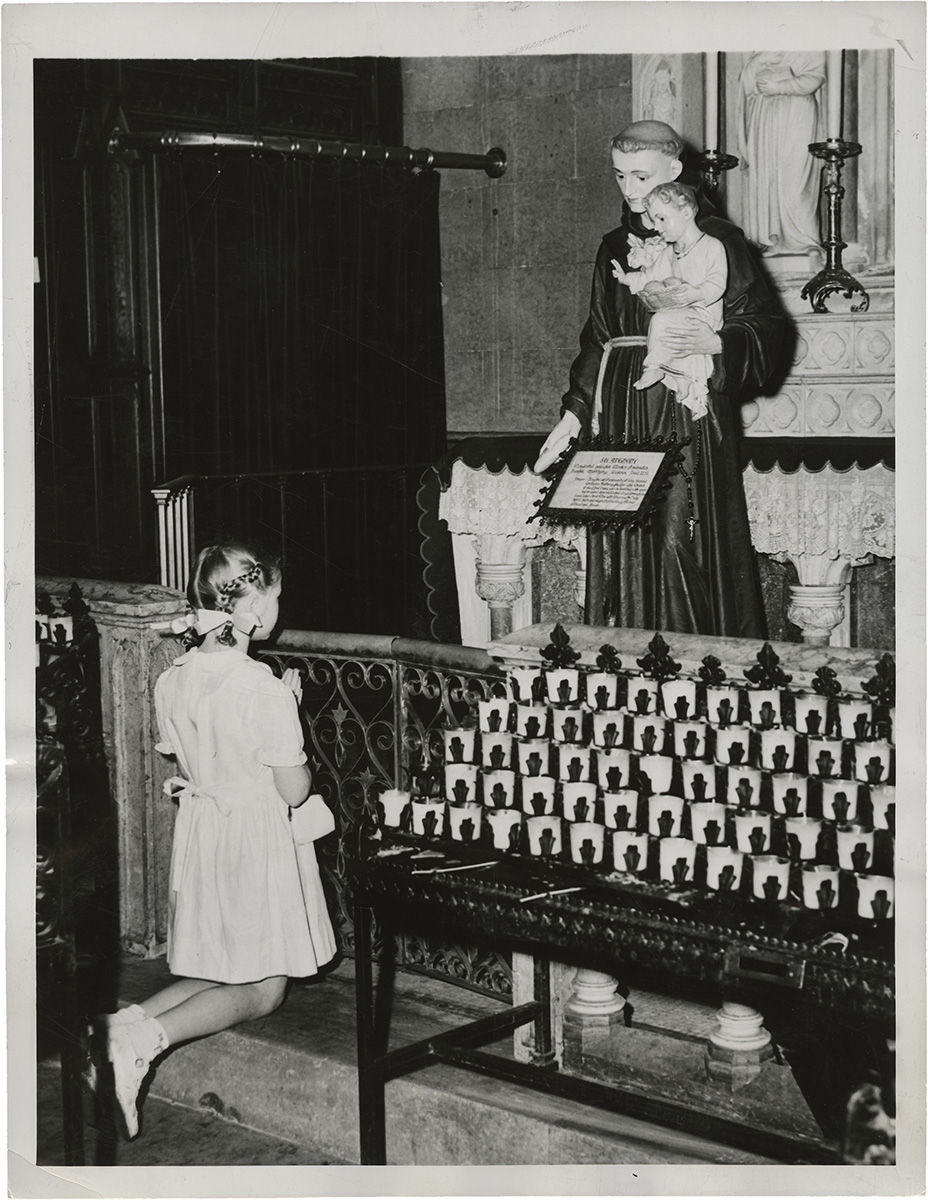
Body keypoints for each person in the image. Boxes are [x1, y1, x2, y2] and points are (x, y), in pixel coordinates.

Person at [89, 542, 336, 1139]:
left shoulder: (175, 677)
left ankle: (119, 1031)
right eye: (273, 597)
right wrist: (290, 712)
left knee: (227, 963)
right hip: (252, 837)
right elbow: (295, 790)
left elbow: (199, 749)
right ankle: (145, 1043)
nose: (277, 608)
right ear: (250, 606)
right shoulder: (261, 685)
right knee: (264, 985)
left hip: (205, 832)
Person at [534, 120, 787, 637]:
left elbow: (766, 326)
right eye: (620, 176)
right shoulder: (613, 246)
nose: (630, 190)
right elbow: (598, 336)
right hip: (622, 403)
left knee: (679, 538)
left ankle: (691, 671)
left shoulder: (718, 240)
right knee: (624, 539)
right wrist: (573, 412)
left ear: (675, 172)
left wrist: (717, 344)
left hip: (683, 398)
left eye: (642, 177)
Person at [611, 180, 727, 420]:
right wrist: (627, 279)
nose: (657, 227)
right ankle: (681, 379)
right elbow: (650, 277)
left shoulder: (711, 246)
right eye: (654, 221)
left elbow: (718, 282)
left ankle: (654, 368)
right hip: (681, 313)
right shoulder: (668, 252)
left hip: (704, 316)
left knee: (662, 320)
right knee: (665, 323)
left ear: (686, 212)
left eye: (662, 219)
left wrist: (697, 293)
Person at [737, 51, 826, 255]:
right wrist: (759, 60)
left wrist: (779, 86)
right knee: (768, 178)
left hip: (797, 113)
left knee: (796, 181)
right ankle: (773, 239)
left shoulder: (809, 40)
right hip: (765, 115)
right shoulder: (763, 43)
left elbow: (815, 77)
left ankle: (805, 240)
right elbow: (746, 85)